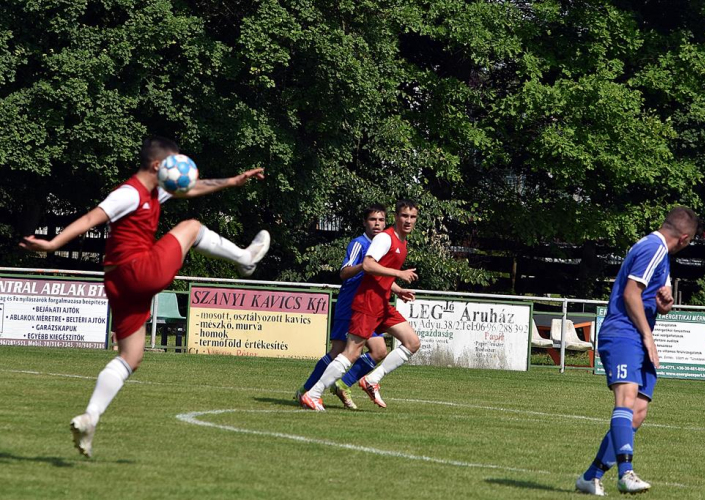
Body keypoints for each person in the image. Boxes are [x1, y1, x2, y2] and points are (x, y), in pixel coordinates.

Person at [19, 137, 271, 457]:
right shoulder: (128, 193)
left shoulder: (154, 191)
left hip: (119, 283)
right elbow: (91, 218)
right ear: (156, 166)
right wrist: (54, 244)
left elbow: (190, 188)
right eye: (173, 165)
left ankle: (90, 417)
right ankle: (245, 258)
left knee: (131, 356)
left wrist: (233, 182)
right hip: (138, 270)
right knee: (191, 226)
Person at [575, 206, 698, 496]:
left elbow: (651, 300)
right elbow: (630, 293)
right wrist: (648, 336)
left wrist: (663, 304)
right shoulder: (653, 247)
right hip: (623, 333)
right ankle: (626, 473)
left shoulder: (661, 256)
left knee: (638, 411)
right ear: (684, 238)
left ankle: (590, 477)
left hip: (637, 335)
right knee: (627, 398)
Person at [300, 200, 420, 411]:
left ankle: (371, 380)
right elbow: (367, 265)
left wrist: (398, 289)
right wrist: (399, 274)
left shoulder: (402, 242)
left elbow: (379, 273)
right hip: (365, 302)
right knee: (348, 352)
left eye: (412, 217)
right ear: (396, 217)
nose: (408, 220)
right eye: (404, 216)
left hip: (381, 302)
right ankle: (312, 392)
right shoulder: (384, 238)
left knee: (412, 342)